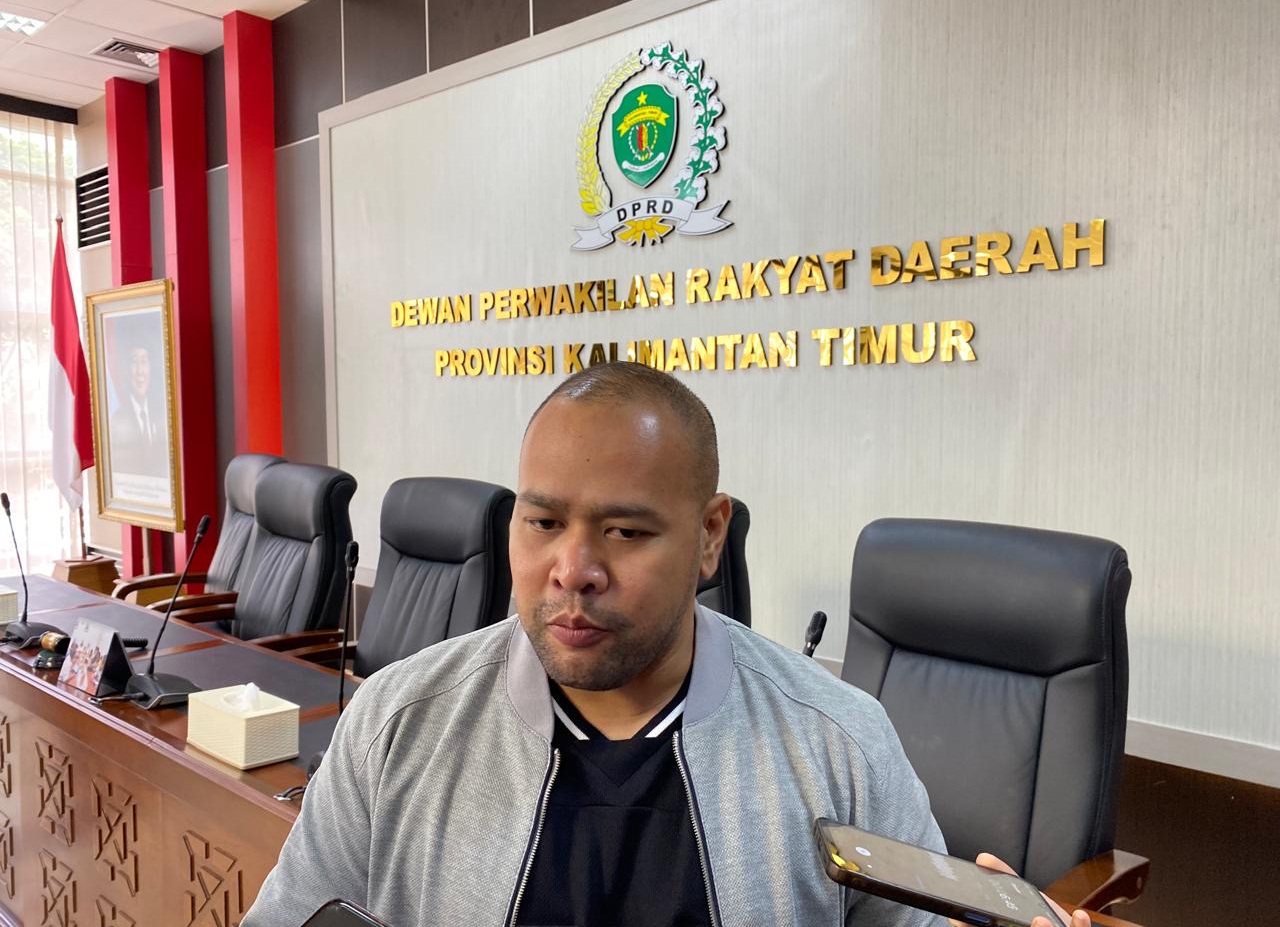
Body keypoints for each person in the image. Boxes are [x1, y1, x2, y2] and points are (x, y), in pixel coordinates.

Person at [244, 362, 1088, 927]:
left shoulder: (839, 744)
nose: (573, 570)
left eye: (624, 531)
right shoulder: (399, 723)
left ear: (710, 534)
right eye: (543, 522)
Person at [108, 341, 168, 478]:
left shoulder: (162, 414)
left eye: (144, 361)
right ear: (126, 369)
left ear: (150, 368)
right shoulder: (117, 420)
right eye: (134, 362)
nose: (140, 371)